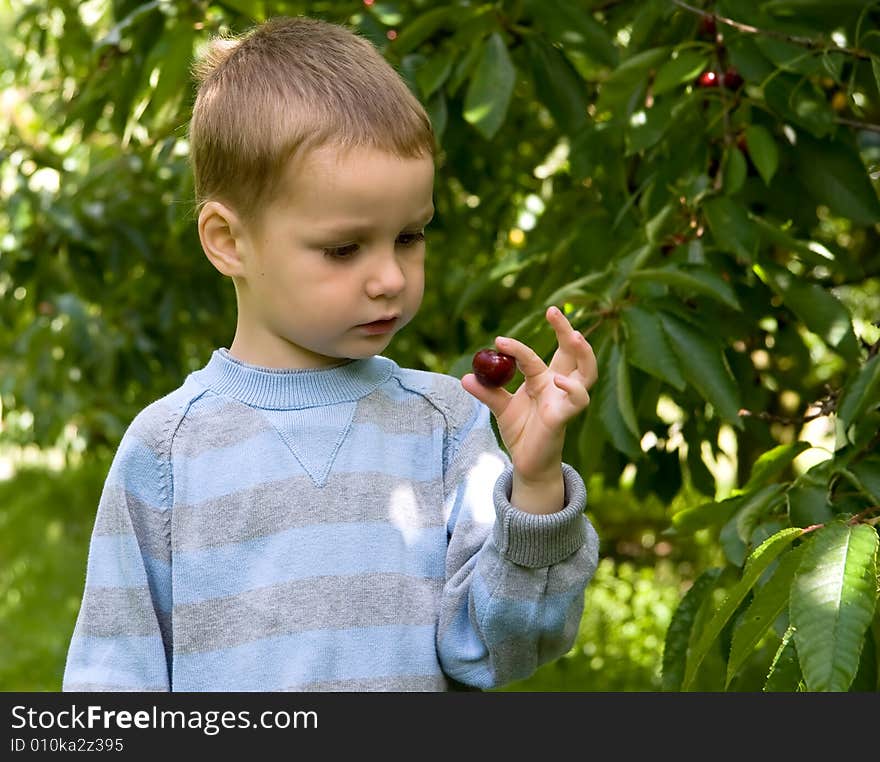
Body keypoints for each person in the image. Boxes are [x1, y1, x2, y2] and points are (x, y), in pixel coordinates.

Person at [62, 15, 600, 692]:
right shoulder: (168, 452)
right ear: (229, 241)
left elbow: (504, 648)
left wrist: (538, 485)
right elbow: (114, 679)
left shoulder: (442, 426)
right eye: (345, 248)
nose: (391, 278)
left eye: (409, 237)